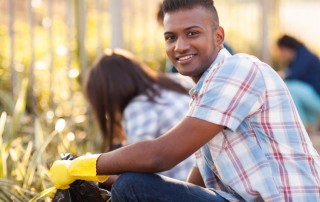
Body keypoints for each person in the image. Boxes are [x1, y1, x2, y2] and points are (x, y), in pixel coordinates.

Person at [50, 0, 320, 201]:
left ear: (218, 37)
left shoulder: (239, 70)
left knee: (131, 186)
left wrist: (84, 164)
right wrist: (101, 182)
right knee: (132, 186)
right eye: (171, 37)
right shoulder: (203, 98)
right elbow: (194, 187)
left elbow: (160, 155)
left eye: (192, 33)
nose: (179, 46)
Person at [84, 49, 193, 181]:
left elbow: (138, 171)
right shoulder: (176, 81)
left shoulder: (138, 107)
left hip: (185, 186)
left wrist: (94, 174)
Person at [277, 35, 320, 130]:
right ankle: (309, 125)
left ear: (286, 48)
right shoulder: (300, 56)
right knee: (295, 90)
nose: (280, 54)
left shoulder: (304, 56)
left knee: (290, 88)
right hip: (315, 97)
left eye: (281, 50)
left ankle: (301, 126)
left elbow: (292, 74)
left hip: (317, 99)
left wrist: (279, 75)